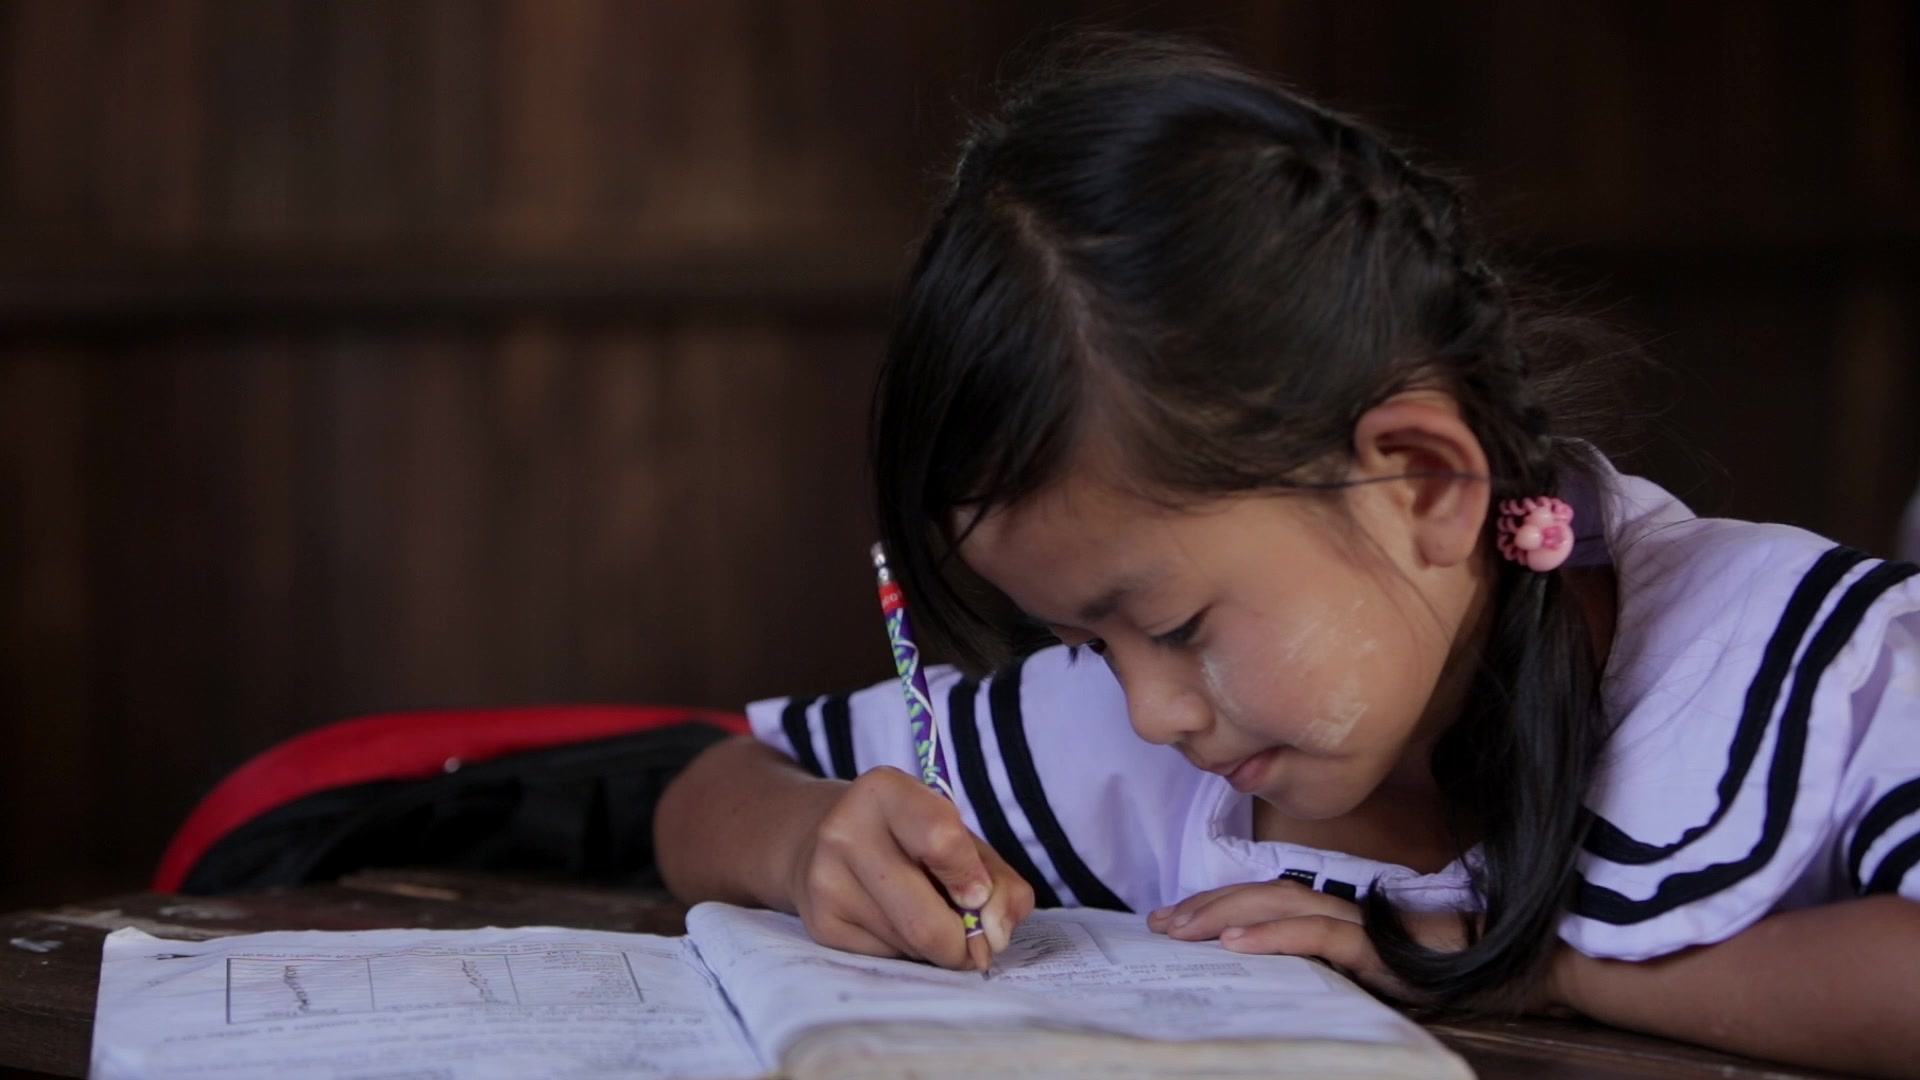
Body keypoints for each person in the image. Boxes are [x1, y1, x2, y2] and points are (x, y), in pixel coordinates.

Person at [654, 34, 1920, 1076]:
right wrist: (815, 841)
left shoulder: (1786, 663)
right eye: (1083, 644)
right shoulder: (1148, 750)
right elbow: (708, 785)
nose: (1149, 711)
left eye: (1183, 628)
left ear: (1423, 483)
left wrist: (1507, 959)